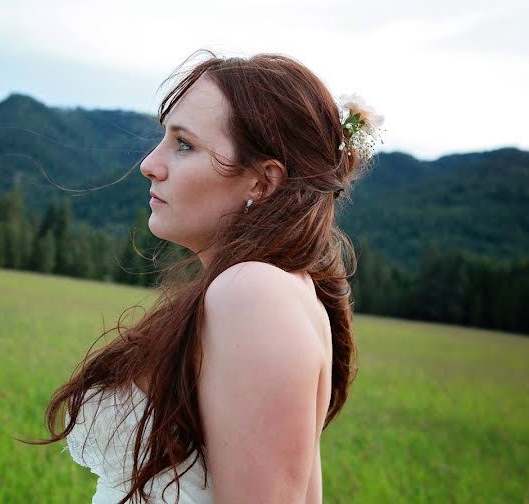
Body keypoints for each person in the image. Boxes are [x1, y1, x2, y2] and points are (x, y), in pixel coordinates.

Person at [34, 51, 383, 503]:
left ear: (263, 182)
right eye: (165, 138)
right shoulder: (283, 290)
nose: (150, 164)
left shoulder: (254, 293)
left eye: (184, 144)